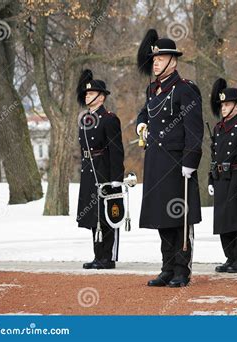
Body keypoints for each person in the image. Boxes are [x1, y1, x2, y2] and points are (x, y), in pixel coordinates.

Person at [136, 29, 203, 287]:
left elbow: (194, 130)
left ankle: (181, 269)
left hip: (177, 164)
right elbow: (144, 114)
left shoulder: (185, 89)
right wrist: (141, 125)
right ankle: (166, 267)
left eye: (161, 58)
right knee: (163, 219)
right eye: (154, 58)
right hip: (156, 161)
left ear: (173, 61)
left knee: (179, 219)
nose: (155, 62)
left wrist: (190, 162)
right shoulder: (152, 89)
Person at [76, 69, 125, 270]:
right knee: (93, 215)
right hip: (89, 170)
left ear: (101, 96)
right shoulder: (86, 119)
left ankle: (108, 257)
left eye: (91, 93)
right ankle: (98, 255)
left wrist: (116, 178)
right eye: (86, 93)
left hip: (104, 170)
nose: (87, 96)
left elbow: (116, 150)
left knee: (107, 215)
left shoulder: (109, 118)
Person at [208, 79, 237, 273]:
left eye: (227, 104)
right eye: (222, 105)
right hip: (220, 179)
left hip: (236, 177)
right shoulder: (218, 128)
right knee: (223, 220)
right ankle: (229, 257)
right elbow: (213, 156)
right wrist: (211, 179)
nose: (224, 108)